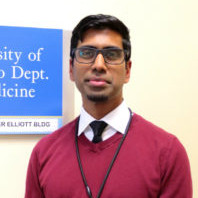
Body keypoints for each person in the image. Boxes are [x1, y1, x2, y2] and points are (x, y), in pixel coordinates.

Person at [25, 14, 192, 198]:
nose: (99, 65)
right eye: (87, 53)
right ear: (71, 69)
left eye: (111, 54)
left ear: (127, 70)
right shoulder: (44, 153)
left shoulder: (167, 153)